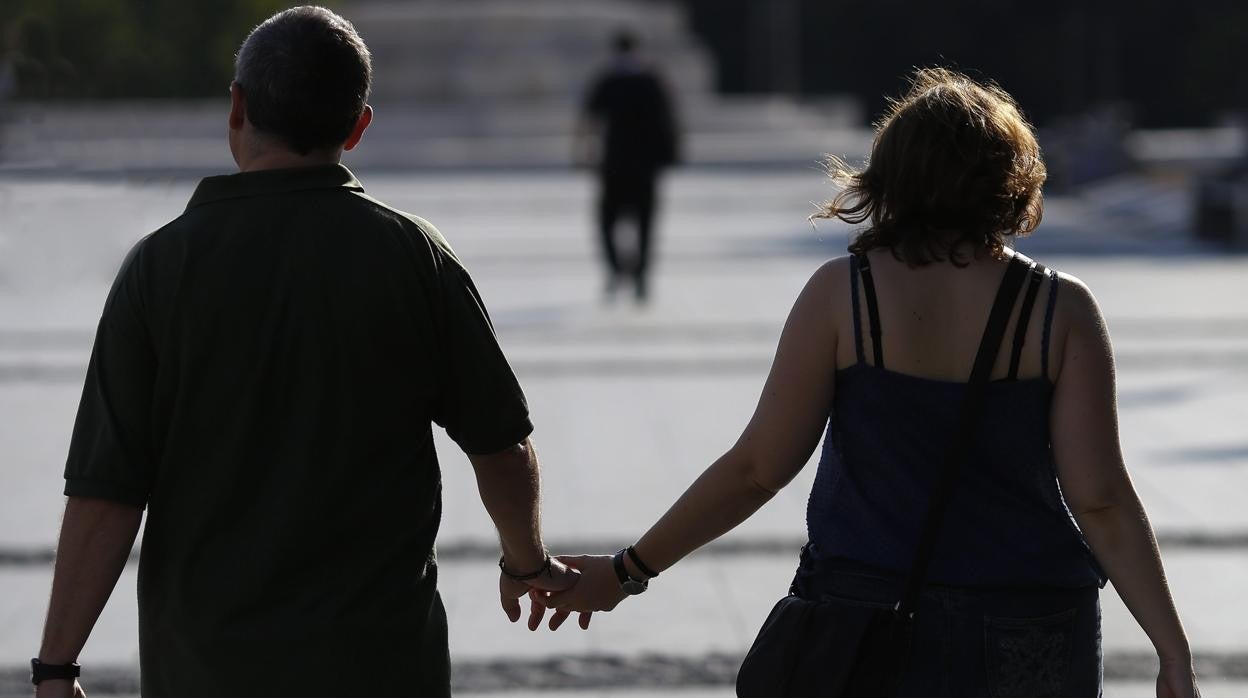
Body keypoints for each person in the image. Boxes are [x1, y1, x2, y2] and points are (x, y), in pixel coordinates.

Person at [538, 68, 1201, 697]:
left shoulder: (843, 296)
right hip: (1030, 622)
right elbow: (1103, 501)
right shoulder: (1060, 309)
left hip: (866, 618)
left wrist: (628, 572)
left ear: (891, 176)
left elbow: (757, 469)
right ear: (1011, 178)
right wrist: (1172, 651)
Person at [30, 7, 577, 698]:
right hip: (380, 660)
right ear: (358, 126)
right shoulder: (412, 257)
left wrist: (56, 666)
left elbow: (106, 493)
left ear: (237, 107)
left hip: (206, 665)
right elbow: (502, 446)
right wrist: (526, 564)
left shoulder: (159, 269)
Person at [577, 29, 680, 303]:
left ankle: (617, 268)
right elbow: (669, 120)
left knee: (607, 221)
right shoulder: (653, 79)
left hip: (615, 163)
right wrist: (670, 155)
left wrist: (583, 153)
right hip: (646, 165)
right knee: (645, 222)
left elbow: (588, 120)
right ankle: (640, 276)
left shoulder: (608, 80)